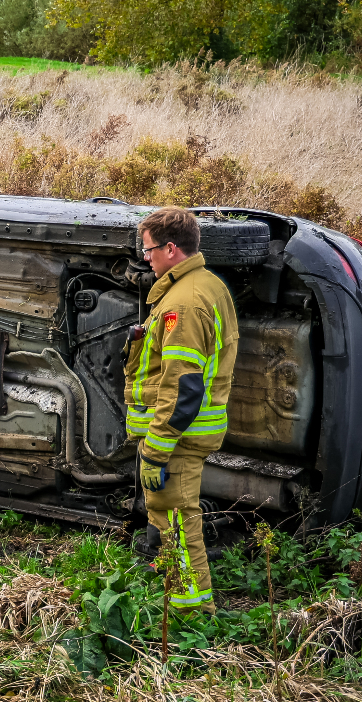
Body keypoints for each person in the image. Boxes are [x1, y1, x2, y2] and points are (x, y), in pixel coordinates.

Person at [125, 206, 239, 614]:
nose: (145, 257)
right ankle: (181, 598)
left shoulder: (185, 304)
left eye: (149, 249)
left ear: (171, 248)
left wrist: (155, 450)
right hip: (185, 433)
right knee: (172, 515)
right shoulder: (206, 285)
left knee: (175, 518)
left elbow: (182, 386)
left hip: (177, 438)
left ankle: (191, 613)